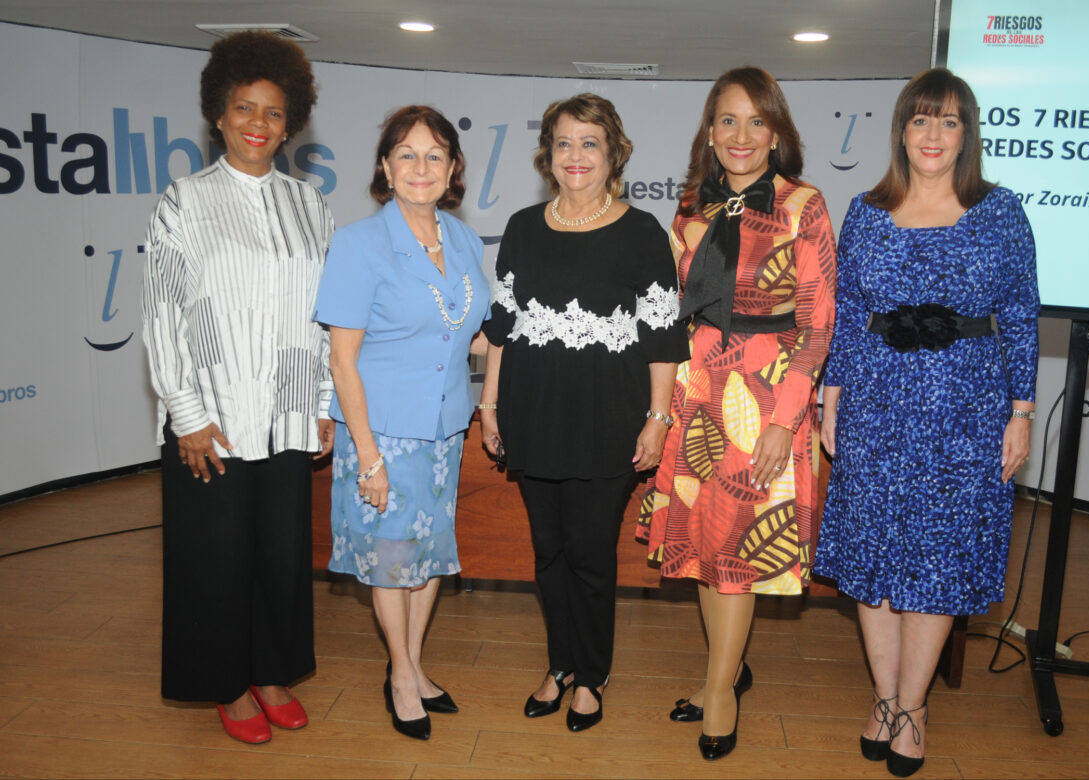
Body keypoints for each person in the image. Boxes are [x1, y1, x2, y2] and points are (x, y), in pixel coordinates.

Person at [815, 68, 1039, 778]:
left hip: (966, 410)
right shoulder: (866, 211)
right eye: (920, 119)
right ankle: (884, 699)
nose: (933, 134)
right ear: (902, 131)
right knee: (874, 552)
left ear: (967, 134)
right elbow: (849, 313)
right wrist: (830, 396)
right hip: (875, 404)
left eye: (948, 120)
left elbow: (1021, 316)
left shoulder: (999, 212)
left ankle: (914, 707)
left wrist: (1022, 412)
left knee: (938, 558)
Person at [636, 65, 837, 761]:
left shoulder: (803, 204)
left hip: (766, 397)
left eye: (757, 121)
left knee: (736, 553)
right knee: (704, 547)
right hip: (698, 393)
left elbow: (818, 324)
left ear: (776, 133)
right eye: (727, 120)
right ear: (709, 131)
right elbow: (669, 309)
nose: (741, 135)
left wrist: (785, 420)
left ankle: (721, 693)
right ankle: (722, 672)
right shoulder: (691, 210)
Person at [142, 31, 333, 744]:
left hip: (287, 413)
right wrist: (185, 413)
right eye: (245, 108)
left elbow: (325, 316)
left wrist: (321, 405)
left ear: (291, 124)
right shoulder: (184, 201)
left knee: (280, 555)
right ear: (219, 115)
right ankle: (226, 682)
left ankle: (272, 670)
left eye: (274, 112)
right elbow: (161, 313)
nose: (259, 122)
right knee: (214, 558)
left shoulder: (310, 205)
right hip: (212, 418)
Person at [479, 93, 688, 733]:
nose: (576, 155)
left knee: (591, 553)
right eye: (564, 142)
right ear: (548, 154)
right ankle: (560, 664)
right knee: (548, 552)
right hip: (532, 412)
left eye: (589, 143)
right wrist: (489, 406)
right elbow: (502, 327)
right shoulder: (521, 227)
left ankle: (592, 675)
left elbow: (663, 338)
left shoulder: (642, 232)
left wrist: (657, 419)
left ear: (613, 154)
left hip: (609, 419)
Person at [313, 106, 489, 742]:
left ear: (453, 169)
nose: (421, 167)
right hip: (381, 431)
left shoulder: (464, 241)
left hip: (444, 427)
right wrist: (368, 455)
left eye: (435, 155)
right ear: (386, 168)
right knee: (392, 558)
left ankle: (410, 663)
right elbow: (343, 359)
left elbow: (471, 334)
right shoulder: (358, 243)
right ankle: (403, 679)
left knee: (430, 554)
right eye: (407, 154)